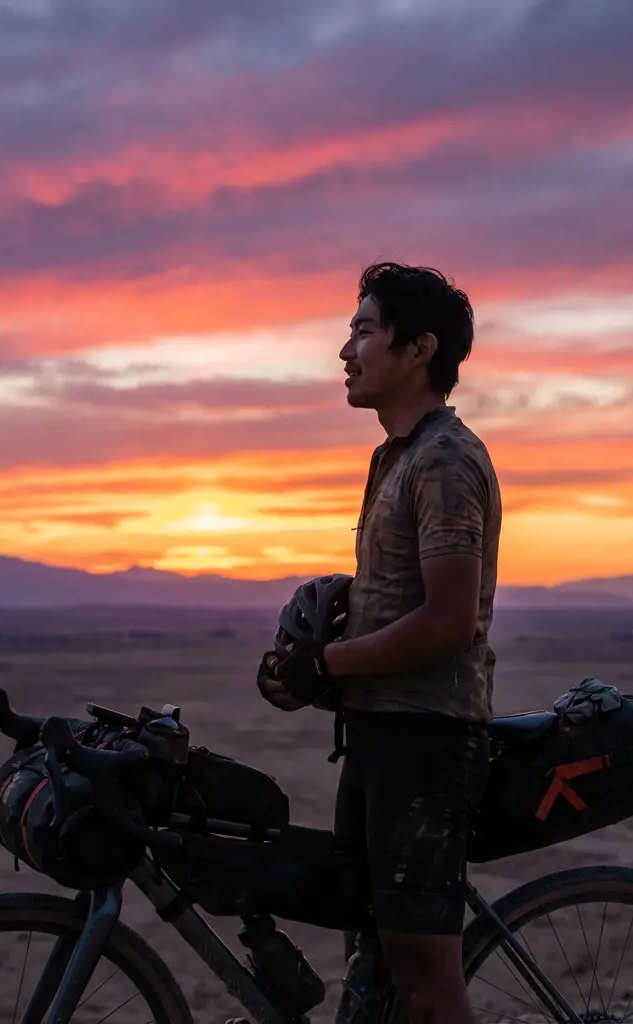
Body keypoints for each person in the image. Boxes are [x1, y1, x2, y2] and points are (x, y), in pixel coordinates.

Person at [259, 262, 502, 1024]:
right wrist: (310, 670)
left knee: (426, 978)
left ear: (419, 348)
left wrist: (327, 662)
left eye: (364, 330)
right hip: (378, 734)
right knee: (379, 968)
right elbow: (398, 605)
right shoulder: (394, 457)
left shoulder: (446, 459)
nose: (346, 349)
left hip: (426, 742)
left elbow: (448, 620)